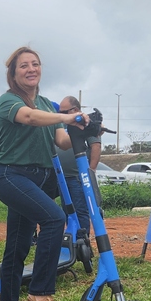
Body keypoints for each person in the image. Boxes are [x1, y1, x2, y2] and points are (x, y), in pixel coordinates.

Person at [0, 47, 84, 301]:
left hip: (38, 180)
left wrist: (85, 132)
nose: (31, 69)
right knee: (55, 219)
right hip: (11, 176)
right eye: (24, 66)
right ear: (13, 73)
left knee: (18, 246)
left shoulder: (46, 104)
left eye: (35, 64)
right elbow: (30, 118)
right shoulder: (8, 101)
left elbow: (61, 141)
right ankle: (40, 291)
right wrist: (67, 117)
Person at [55, 96, 102, 241]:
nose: (61, 114)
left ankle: (82, 242)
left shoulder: (84, 123)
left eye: (64, 111)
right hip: (63, 177)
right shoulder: (63, 125)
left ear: (74, 110)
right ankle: (72, 241)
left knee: (80, 210)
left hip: (77, 177)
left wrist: (90, 172)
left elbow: (96, 146)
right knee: (68, 210)